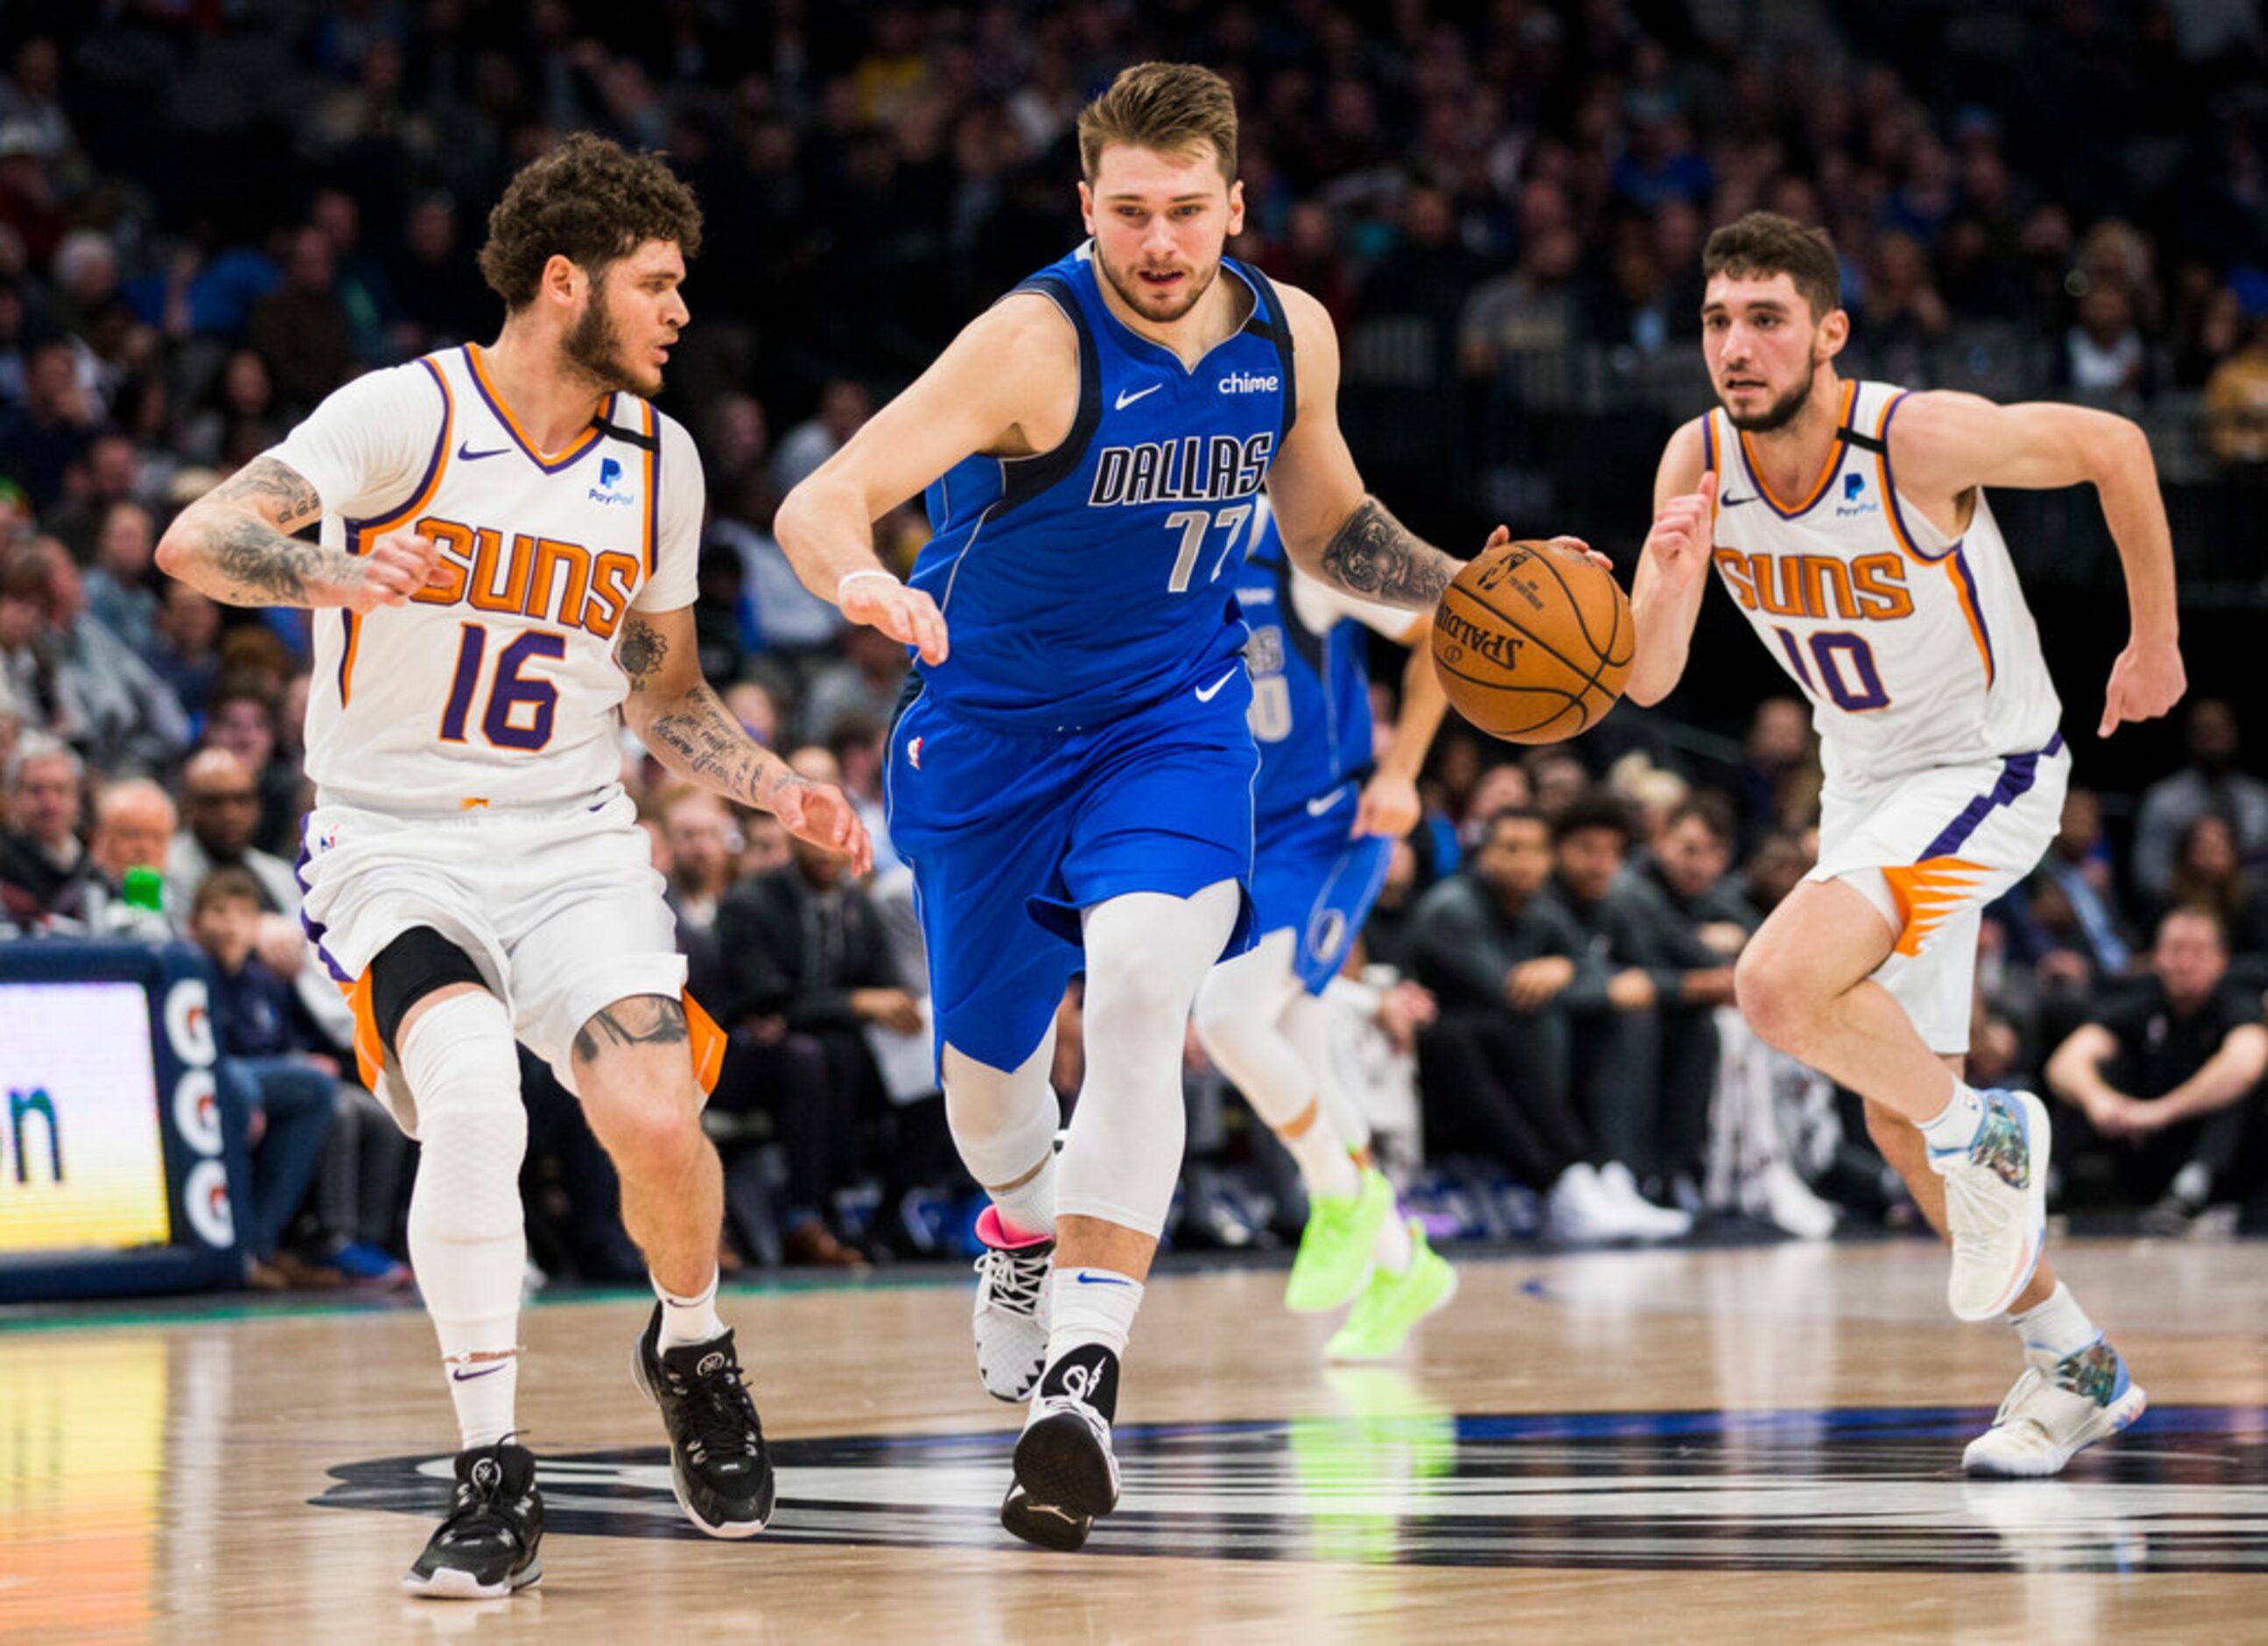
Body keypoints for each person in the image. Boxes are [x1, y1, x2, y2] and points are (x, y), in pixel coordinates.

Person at [776, 63, 1548, 1551]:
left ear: (1233, 206)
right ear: (1085, 207)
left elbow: (1329, 528)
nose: (1157, 240)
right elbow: (827, 493)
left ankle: (1081, 1377)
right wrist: (857, 577)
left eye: (1186, 210)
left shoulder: (1285, 330)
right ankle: (1017, 1222)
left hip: (1171, 723)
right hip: (989, 738)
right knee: (991, 1103)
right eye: (1127, 211)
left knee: (1145, 995)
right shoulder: (1028, 340)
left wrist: (1464, 591)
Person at [155, 133, 869, 1598]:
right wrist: (327, 570)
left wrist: (770, 783)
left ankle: (692, 1337)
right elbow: (195, 535)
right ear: (566, 281)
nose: (680, 312)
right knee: (473, 1098)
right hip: (393, 840)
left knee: (658, 1122)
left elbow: (663, 694)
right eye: (657, 283)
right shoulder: (401, 414)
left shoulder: (659, 462)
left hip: (572, 842)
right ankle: (494, 1468)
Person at [1626, 211, 2185, 1477]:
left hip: (1990, 767)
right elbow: (1654, 678)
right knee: (1892, 1119)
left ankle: (1992, 1128)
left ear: (1829, 333)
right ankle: (2077, 1368)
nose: (1736, 345)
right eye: (1717, 320)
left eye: (1765, 318)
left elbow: (2115, 443)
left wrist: (2153, 641)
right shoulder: (1694, 459)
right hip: (1867, 779)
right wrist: (1661, 576)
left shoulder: (1912, 436)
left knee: (1774, 985)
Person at [1191, 498, 1457, 1362]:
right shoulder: (1163, 553)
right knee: (1297, 1063)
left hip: (1328, 826)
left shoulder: (1300, 544)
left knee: (1226, 1021)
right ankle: (1402, 1263)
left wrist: (1403, 769)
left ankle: (1336, 1199)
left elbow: (1440, 635)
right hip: (1239, 834)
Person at [2044, 906, 2268, 1225]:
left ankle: (2190, 1191)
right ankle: (2046, 1189)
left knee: (2237, 1088)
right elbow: (2066, 1062)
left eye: (2198, 952)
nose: (2185, 964)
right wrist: (2099, 1099)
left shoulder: (2235, 1002)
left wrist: (2163, 1111)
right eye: (2175, 950)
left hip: (2213, 1155)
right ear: (2158, 957)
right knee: (2089, 1075)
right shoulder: (2140, 999)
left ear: (2221, 960)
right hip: (2137, 1141)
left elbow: (2248, 1062)